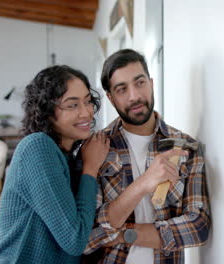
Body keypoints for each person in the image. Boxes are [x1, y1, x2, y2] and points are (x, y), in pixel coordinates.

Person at [84, 49, 211, 263]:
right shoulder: (96, 148)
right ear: (111, 98)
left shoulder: (185, 147)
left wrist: (125, 233)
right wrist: (143, 183)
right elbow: (88, 237)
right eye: (122, 89)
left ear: (151, 83)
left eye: (140, 83)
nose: (134, 96)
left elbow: (198, 226)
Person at [0, 65, 110, 263]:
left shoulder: (67, 155)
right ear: (46, 111)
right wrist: (91, 167)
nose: (86, 113)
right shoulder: (37, 147)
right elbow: (74, 239)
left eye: (88, 102)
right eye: (72, 105)